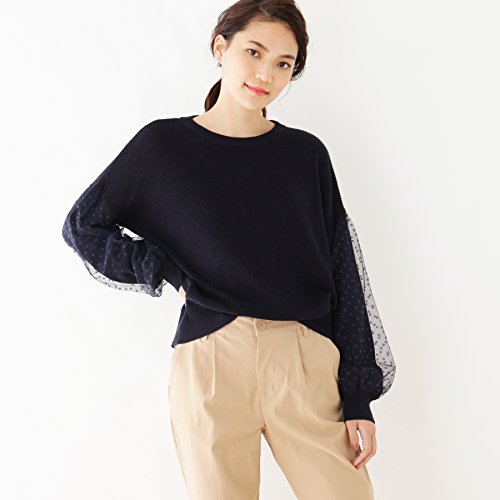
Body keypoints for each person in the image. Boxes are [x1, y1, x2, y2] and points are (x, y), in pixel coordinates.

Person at [61, 1, 396, 498]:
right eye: (253, 52)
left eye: (283, 63)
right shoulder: (163, 147)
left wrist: (358, 398)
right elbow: (83, 225)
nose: (265, 74)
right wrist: (164, 270)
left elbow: (343, 269)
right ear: (221, 48)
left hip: (304, 358)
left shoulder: (305, 155)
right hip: (212, 358)